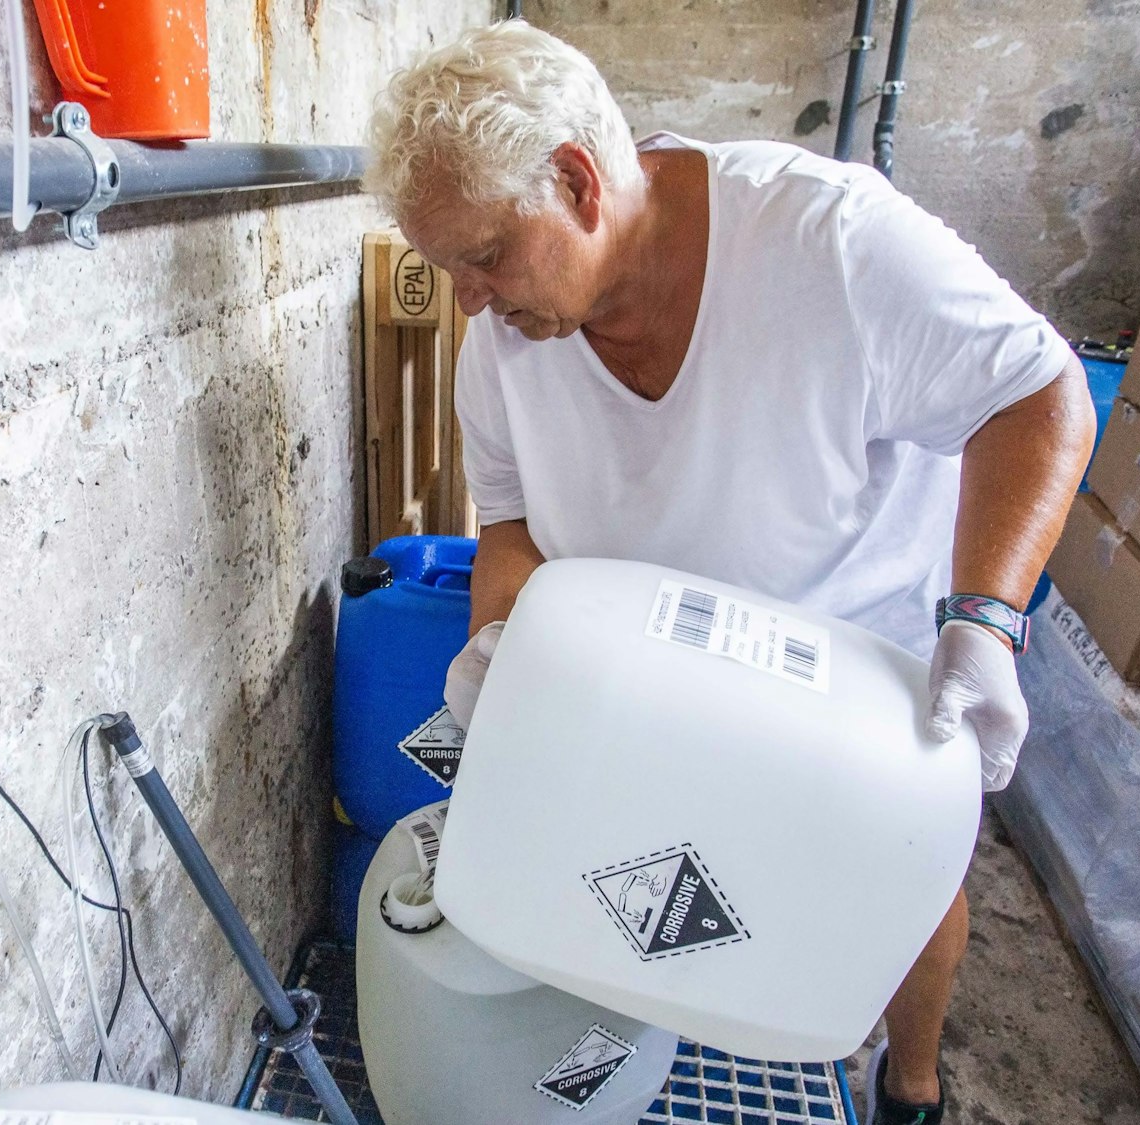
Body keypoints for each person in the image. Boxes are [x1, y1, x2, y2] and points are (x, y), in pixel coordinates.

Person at [366, 22, 1093, 1125]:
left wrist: (986, 619)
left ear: (577, 183)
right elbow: (508, 522)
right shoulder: (502, 346)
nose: (466, 297)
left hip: (844, 668)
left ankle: (909, 1084)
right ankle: (635, 1038)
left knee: (895, 882)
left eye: (486, 255)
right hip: (651, 673)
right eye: (445, 266)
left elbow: (1038, 394)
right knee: (654, 878)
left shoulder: (829, 242)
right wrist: (498, 640)